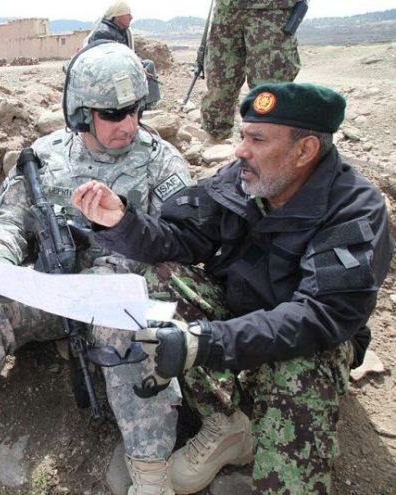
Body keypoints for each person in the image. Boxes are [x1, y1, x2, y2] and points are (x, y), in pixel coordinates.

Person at [71, 82, 393, 494]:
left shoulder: (354, 210)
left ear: (305, 150)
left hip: (305, 341)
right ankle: (227, 421)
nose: (241, 149)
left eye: (257, 139)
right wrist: (121, 222)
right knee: (161, 277)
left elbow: (322, 317)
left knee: (303, 366)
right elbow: (181, 237)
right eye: (243, 135)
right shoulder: (243, 178)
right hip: (239, 323)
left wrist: (205, 342)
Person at [0, 42, 193, 495]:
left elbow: (180, 246)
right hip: (50, 293)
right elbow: (10, 220)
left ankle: (151, 474)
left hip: (118, 302)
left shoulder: (162, 164)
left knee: (130, 328)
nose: (129, 124)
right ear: (81, 113)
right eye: (113, 114)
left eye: (135, 110)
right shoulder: (45, 155)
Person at [201, 0, 303, 141]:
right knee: (219, 83)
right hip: (227, 10)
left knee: (269, 89)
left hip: (272, 11)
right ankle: (215, 144)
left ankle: (265, 144)